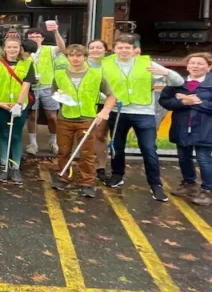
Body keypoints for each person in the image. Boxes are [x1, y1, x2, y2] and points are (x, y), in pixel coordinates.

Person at [102, 34, 184, 201]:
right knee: (117, 147)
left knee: (149, 149)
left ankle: (155, 184)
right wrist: (107, 100)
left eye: (127, 48)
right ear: (114, 49)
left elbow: (179, 82)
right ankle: (117, 175)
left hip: (143, 113)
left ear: (134, 50)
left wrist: (166, 72)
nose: (124, 51)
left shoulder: (146, 63)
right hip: (118, 111)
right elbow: (97, 86)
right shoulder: (105, 63)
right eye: (120, 47)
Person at [50, 44, 116, 198]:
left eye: (79, 55)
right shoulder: (59, 74)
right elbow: (54, 93)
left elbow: (111, 96)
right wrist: (60, 96)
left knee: (87, 152)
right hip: (65, 118)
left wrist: (105, 111)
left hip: (87, 118)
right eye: (71, 55)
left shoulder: (96, 74)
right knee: (63, 150)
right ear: (67, 57)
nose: (75, 59)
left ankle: (87, 182)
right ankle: (64, 177)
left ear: (85, 57)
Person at [160, 52, 212, 206]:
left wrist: (197, 102)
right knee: (184, 157)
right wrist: (183, 103)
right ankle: (188, 184)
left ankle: (207, 190)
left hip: (205, 128)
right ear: (187, 66)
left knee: (204, 159)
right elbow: (165, 101)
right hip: (181, 126)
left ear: (209, 67)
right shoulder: (177, 83)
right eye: (192, 63)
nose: (195, 66)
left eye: (200, 63)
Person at [0, 35, 36, 185]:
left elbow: (26, 85)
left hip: (19, 106)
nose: (12, 49)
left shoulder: (28, 64)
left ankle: (15, 167)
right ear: (5, 48)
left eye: (15, 47)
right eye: (9, 47)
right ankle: (3, 166)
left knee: (16, 135)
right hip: (2, 105)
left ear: (20, 49)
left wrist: (18, 104)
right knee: (4, 134)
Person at [25, 23, 67, 156]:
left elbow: (62, 48)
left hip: (48, 86)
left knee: (52, 116)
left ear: (42, 38)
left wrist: (55, 32)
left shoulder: (49, 49)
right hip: (30, 87)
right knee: (32, 116)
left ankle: (53, 141)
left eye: (37, 36)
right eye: (31, 36)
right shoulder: (24, 50)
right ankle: (33, 143)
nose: (35, 38)